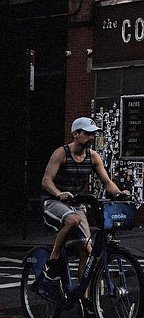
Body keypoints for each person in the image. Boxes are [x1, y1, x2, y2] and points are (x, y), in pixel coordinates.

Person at [40, 117, 130, 301]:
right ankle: (53, 262)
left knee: (87, 252)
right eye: (87, 133)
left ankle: (85, 298)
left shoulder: (93, 157)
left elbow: (107, 183)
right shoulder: (61, 153)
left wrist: (120, 194)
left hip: (76, 204)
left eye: (93, 134)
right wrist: (59, 194)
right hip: (53, 202)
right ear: (76, 134)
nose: (91, 137)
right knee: (73, 219)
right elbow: (46, 181)